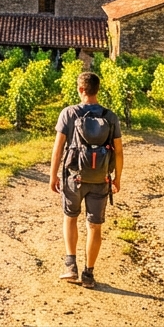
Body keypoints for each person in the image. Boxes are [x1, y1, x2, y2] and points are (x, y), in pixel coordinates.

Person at [49, 70, 123, 288]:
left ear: (81, 90)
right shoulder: (110, 117)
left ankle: (70, 266)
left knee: (70, 218)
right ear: (97, 90)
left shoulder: (69, 113)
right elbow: (118, 151)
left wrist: (53, 175)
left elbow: (58, 147)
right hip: (101, 178)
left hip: (74, 178)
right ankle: (88, 275)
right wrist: (117, 178)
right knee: (94, 226)